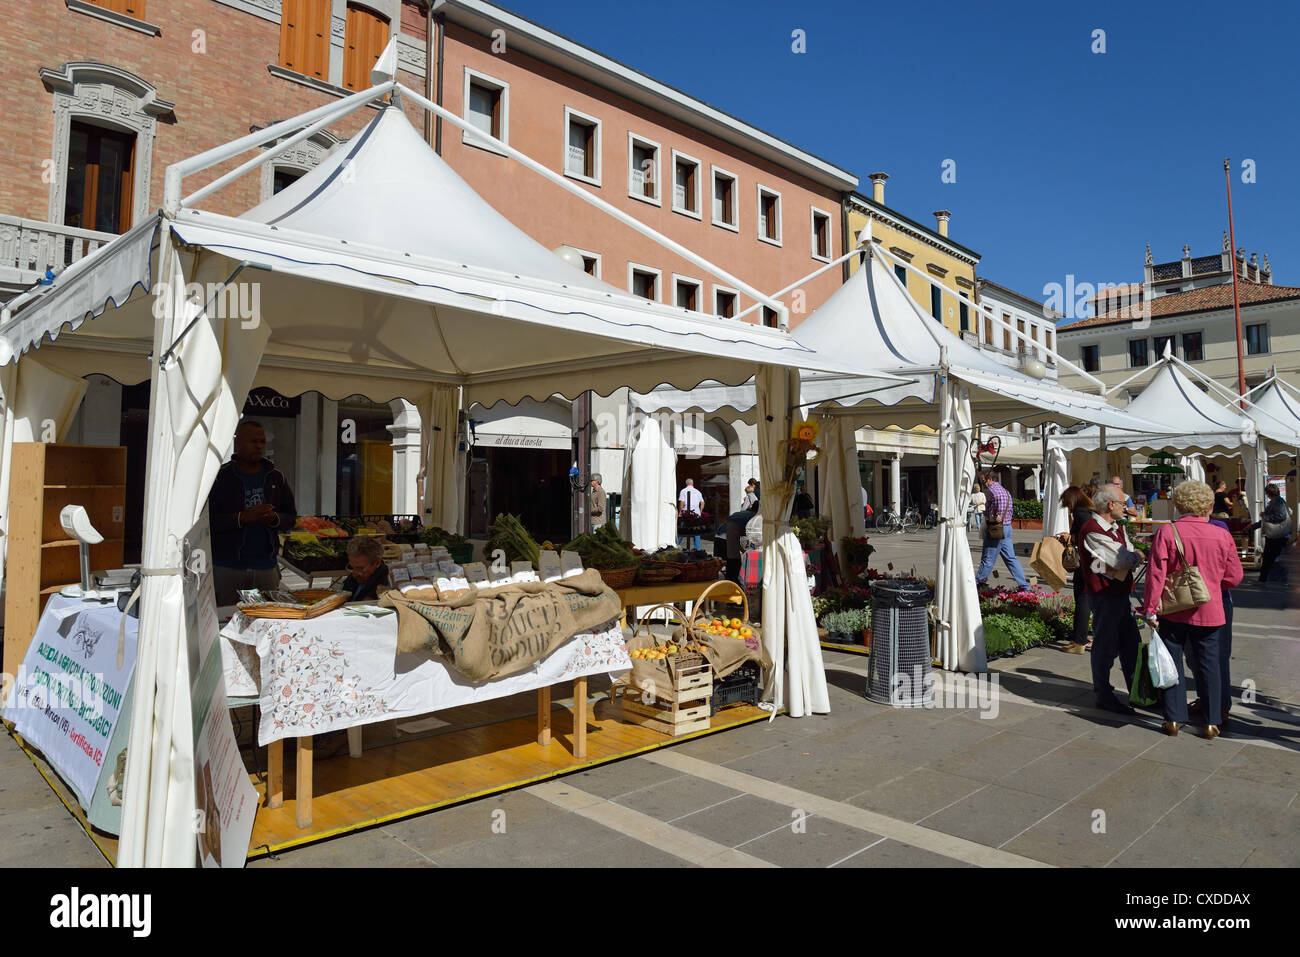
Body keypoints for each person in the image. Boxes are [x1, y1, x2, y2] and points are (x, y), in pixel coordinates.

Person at [1141, 481, 1243, 738]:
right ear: (1208, 505)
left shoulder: (1168, 532)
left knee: (1171, 663)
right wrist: (1212, 582)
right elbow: (1234, 576)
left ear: (1179, 505)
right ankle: (1211, 721)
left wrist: (1150, 609)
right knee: (1210, 665)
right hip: (1210, 609)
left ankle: (1174, 719)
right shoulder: (1222, 534)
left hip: (1174, 609)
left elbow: (1156, 575)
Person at [209, 420, 297, 605]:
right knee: (228, 620)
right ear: (237, 442)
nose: (258, 446)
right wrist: (242, 518)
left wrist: (274, 519)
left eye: (262, 442)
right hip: (228, 567)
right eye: (253, 441)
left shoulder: (276, 477)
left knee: (268, 622)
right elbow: (208, 521)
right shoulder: (220, 477)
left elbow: (290, 518)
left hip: (266, 567)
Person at [1078, 484, 1145, 714]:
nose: (1126, 507)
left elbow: (1127, 552)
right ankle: (1103, 694)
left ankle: (1138, 692)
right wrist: (1135, 556)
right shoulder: (1093, 529)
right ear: (1110, 504)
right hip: (1104, 595)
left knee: (1131, 644)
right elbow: (1122, 559)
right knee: (1105, 646)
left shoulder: (1115, 527)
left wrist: (1132, 555)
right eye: (1122, 503)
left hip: (1119, 593)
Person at [1056, 484, 1095, 654]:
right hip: (1089, 561)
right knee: (1082, 598)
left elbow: (1086, 535)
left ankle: (1079, 641)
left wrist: (1069, 537)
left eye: (1067, 503)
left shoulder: (1081, 513)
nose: (1067, 507)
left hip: (1085, 562)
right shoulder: (1087, 510)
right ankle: (1079, 637)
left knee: (1082, 599)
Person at [975, 470, 1029, 589]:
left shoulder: (991, 491)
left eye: (983, 481)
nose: (983, 483)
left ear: (990, 479)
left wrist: (989, 515)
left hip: (996, 529)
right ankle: (1024, 585)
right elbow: (1007, 510)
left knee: (988, 558)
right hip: (1007, 527)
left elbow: (994, 515)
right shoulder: (1005, 491)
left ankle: (978, 583)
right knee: (1011, 558)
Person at [1252, 483, 1291, 583]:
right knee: (1272, 558)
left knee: (1270, 558)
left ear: (1269, 493)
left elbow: (1280, 516)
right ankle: (1266, 579)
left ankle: (1266, 579)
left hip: (1277, 535)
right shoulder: (1278, 501)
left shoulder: (1277, 502)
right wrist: (1254, 526)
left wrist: (1266, 517)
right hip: (1278, 535)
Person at [338, 536, 391, 602]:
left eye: (360, 568)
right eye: (351, 567)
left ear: (377, 563)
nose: (355, 574)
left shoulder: (385, 584)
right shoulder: (352, 580)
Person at [678, 478, 705, 550]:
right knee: (696, 531)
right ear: (692, 484)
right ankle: (698, 548)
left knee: (683, 529)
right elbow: (702, 503)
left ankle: (677, 544)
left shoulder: (683, 491)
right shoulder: (698, 492)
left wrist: (680, 512)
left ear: (686, 483)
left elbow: (682, 503)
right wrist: (700, 511)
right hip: (696, 513)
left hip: (686, 512)